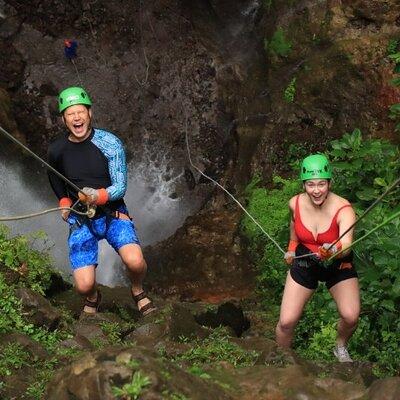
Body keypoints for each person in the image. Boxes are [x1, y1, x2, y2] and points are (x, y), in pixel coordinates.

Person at [47, 86, 156, 316]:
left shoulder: (110, 143)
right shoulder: (57, 150)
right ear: (64, 119)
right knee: (83, 285)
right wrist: (64, 201)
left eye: (81, 112)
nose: (77, 118)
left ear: (89, 113)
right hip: (81, 219)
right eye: (70, 113)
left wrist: (98, 196)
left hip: (112, 213)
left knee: (135, 262)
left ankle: (137, 289)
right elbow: (54, 176)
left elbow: (120, 186)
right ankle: (93, 296)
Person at [275, 154, 360, 362]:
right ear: (304, 185)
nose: (316, 190)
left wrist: (334, 250)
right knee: (286, 322)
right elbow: (294, 226)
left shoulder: (344, 209)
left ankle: (340, 346)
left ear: (329, 183)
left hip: (337, 262)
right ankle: (281, 360)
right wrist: (292, 247)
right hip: (306, 260)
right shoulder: (294, 203)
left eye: (321, 184)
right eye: (310, 184)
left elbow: (347, 246)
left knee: (351, 316)